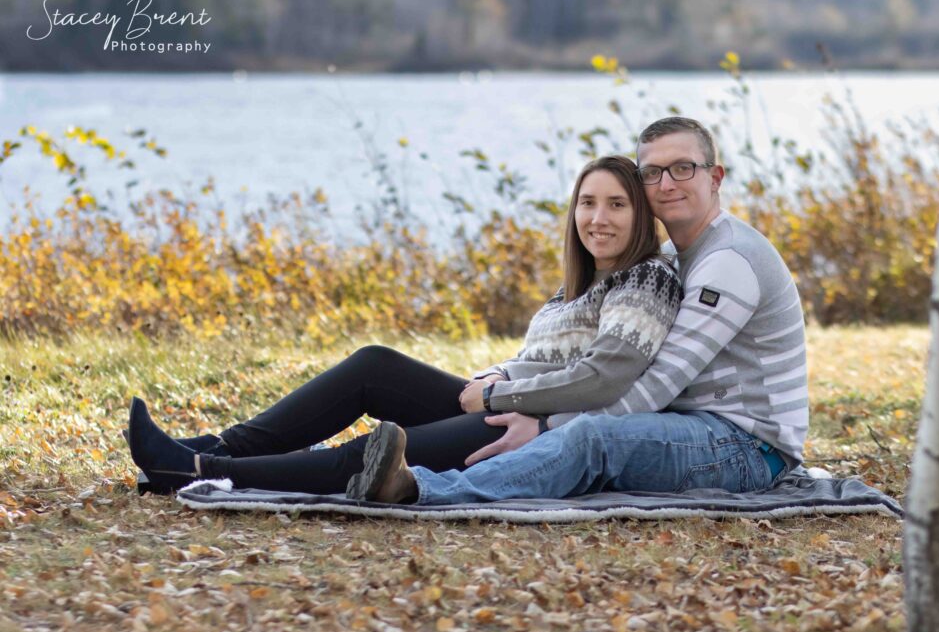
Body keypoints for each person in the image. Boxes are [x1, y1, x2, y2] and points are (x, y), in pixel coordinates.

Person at [126, 155, 683, 495]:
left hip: (533, 433)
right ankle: (221, 446)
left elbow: (604, 379)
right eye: (587, 203)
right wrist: (493, 381)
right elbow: (543, 358)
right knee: (374, 365)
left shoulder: (648, 280)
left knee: (381, 450)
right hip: (507, 406)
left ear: (640, 216)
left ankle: (206, 470)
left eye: (616, 205)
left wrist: (496, 396)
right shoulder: (580, 284)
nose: (597, 218)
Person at [346, 116, 809, 505]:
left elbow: (654, 388)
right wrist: (503, 377)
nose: (666, 183)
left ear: (715, 177)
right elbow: (594, 361)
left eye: (683, 168)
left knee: (592, 437)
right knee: (582, 429)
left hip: (748, 448)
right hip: (691, 426)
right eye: (652, 172)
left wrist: (547, 425)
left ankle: (421, 492)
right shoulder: (677, 256)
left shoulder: (729, 261)